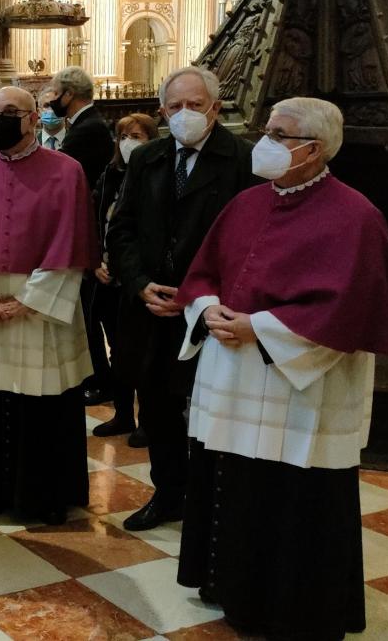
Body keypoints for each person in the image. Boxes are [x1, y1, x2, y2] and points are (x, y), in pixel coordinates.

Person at [174, 97, 388, 639]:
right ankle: (234, 588)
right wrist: (206, 309)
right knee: (238, 485)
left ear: (315, 149)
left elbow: (347, 312)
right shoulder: (246, 204)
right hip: (234, 373)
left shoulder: (356, 216)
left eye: (280, 135)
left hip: (301, 384)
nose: (266, 143)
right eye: (268, 132)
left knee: (293, 496)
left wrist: (259, 328)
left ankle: (297, 606)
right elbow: (203, 273)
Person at [107, 66, 256, 532]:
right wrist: (138, 283)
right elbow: (122, 227)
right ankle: (168, 492)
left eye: (195, 105)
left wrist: (195, 295)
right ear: (162, 111)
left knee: (211, 405)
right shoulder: (148, 157)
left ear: (215, 108)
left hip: (210, 308)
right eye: (175, 107)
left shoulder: (242, 161)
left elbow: (249, 243)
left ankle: (213, 501)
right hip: (151, 304)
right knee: (155, 407)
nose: (184, 114)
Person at [0, 86, 96, 525]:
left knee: (41, 403)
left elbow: (72, 239)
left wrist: (28, 301)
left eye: (10, 111)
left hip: (41, 304)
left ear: (32, 118)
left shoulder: (67, 172)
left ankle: (41, 494)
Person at [44, 67, 116, 407]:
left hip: (88, 233)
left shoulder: (89, 129)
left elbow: (67, 180)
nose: (52, 100)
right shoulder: (86, 125)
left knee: (90, 315)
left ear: (69, 94)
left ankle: (101, 380)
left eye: (55, 92)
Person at [90, 113, 159, 444]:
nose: (130, 142)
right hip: (107, 277)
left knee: (142, 353)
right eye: (123, 136)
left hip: (139, 279)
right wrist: (95, 262)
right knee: (117, 350)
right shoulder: (109, 175)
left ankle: (147, 419)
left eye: (137, 136)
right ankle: (122, 413)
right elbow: (95, 219)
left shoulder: (155, 175)